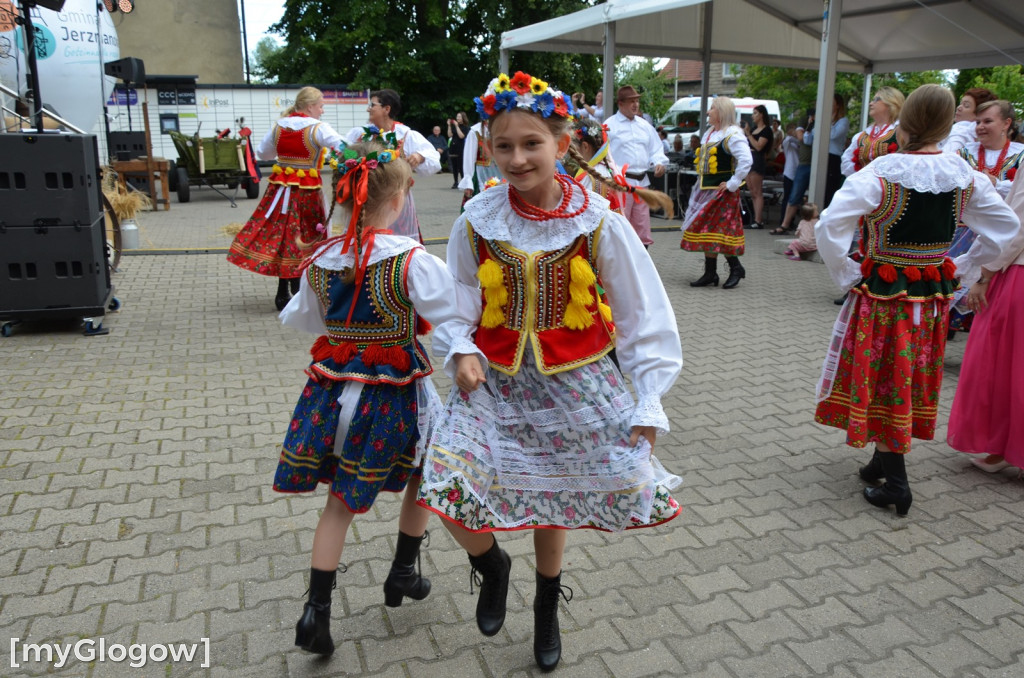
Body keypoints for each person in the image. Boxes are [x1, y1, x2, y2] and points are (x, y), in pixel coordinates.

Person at [417, 71, 683, 672]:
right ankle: (491, 564)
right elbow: (455, 295)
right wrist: (459, 348)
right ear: (487, 145)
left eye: (531, 144)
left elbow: (643, 315)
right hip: (493, 382)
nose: (516, 158)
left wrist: (649, 398)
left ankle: (545, 604)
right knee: (442, 481)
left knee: (556, 498)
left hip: (577, 382)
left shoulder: (597, 219)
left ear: (561, 145)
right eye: (504, 145)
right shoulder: (477, 217)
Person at [274, 141, 477, 656]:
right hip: (394, 397)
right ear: (402, 198)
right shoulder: (411, 259)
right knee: (424, 473)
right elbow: (451, 319)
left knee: (338, 505)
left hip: (331, 390)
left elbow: (305, 320)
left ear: (344, 198)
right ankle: (403, 571)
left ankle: (315, 613)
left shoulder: (320, 259)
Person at [812, 84, 1020, 517]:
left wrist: (848, 272)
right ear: (948, 124)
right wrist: (962, 265)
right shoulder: (962, 174)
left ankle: (898, 486)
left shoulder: (882, 172)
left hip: (884, 295)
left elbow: (830, 225)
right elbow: (1005, 228)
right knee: (907, 371)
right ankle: (879, 460)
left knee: (883, 372)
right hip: (931, 294)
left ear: (906, 122)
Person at [228, 86, 345, 311]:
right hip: (307, 193)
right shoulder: (318, 128)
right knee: (308, 235)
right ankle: (300, 290)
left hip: (280, 191)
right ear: (310, 106)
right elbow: (343, 148)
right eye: (321, 105)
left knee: (284, 237)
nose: (323, 110)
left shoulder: (280, 126)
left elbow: (263, 154)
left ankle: (284, 292)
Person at [947, 170, 1024, 474]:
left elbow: (1016, 226)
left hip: (1018, 273)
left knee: (1004, 363)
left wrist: (986, 274)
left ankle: (1005, 444)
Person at [947, 100, 1024, 337]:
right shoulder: (963, 153)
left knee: (985, 298)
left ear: (1006, 124)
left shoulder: (1019, 154)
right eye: (978, 121)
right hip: (960, 232)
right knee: (948, 289)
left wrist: (996, 185)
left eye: (988, 121)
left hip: (999, 238)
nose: (980, 126)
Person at [344, 89, 441, 241]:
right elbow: (343, 153)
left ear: (386, 109)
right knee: (364, 242)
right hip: (366, 200)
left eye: (372, 105)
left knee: (398, 244)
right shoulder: (360, 135)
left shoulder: (406, 135)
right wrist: (350, 158)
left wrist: (420, 156)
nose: (368, 108)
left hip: (397, 203)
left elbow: (434, 159)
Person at [680, 96, 753, 289]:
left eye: (712, 108)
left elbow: (746, 160)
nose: (708, 112)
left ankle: (735, 267)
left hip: (723, 192)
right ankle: (710, 272)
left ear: (720, 112)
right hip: (706, 189)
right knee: (707, 230)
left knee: (723, 231)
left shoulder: (732, 134)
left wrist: (733, 183)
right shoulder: (711, 133)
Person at [604, 85, 669, 247]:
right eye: (631, 101)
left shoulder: (644, 125)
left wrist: (659, 162)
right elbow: (603, 154)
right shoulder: (609, 125)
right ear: (620, 103)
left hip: (642, 183)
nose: (635, 105)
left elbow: (656, 148)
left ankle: (642, 265)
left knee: (642, 228)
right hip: (620, 184)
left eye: (637, 101)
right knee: (621, 224)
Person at [840, 86, 904, 177]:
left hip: (891, 188)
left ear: (891, 102)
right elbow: (846, 161)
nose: (870, 103)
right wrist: (862, 178)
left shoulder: (902, 132)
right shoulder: (862, 136)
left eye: (876, 99)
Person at [804, 93, 850, 207]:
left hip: (833, 158)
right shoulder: (819, 122)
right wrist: (810, 126)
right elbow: (807, 140)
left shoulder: (842, 121)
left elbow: (832, 135)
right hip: (819, 157)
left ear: (838, 105)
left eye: (831, 102)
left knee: (829, 189)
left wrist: (825, 122)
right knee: (817, 187)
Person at [741, 104, 774, 229]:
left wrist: (749, 135)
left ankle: (758, 220)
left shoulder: (766, 130)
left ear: (761, 115)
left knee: (757, 190)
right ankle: (755, 218)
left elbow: (759, 146)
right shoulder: (754, 129)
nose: (752, 116)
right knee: (752, 191)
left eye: (755, 113)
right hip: (749, 158)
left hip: (757, 159)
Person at [939, 87, 997, 153]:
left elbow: (948, 155)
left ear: (979, 113)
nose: (959, 108)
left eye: (966, 105)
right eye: (960, 104)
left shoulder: (962, 131)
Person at [458, 119, 503, 203]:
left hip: (502, 174)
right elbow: (469, 158)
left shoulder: (504, 129)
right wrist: (468, 181)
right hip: (481, 174)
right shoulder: (476, 132)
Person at [771, 123, 800, 233]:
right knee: (787, 197)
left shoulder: (797, 143)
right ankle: (784, 219)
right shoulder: (788, 140)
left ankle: (791, 219)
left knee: (794, 197)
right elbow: (788, 140)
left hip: (796, 171)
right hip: (789, 172)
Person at [447, 112, 470, 188]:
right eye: (457, 116)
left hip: (461, 148)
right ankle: (455, 181)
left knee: (461, 166)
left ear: (463, 118)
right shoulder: (454, 127)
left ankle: (463, 181)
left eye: (459, 117)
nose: (458, 118)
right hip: (453, 147)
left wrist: (457, 126)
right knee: (454, 166)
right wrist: (449, 126)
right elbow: (450, 135)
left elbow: (461, 136)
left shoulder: (465, 127)